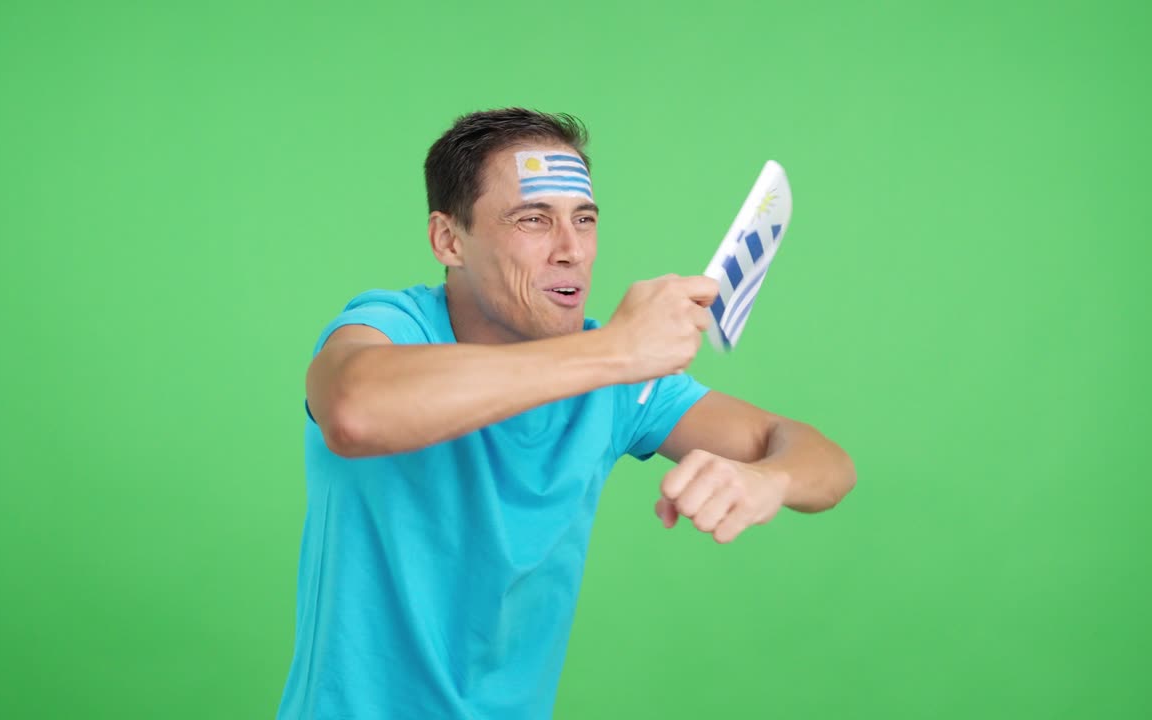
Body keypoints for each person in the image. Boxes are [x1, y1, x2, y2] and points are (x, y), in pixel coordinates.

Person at [276, 108, 856, 719]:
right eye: (533, 220)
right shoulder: (395, 327)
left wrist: (772, 478)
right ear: (449, 240)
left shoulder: (620, 379)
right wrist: (615, 349)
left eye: (584, 220)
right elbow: (353, 409)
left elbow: (823, 460)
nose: (572, 250)